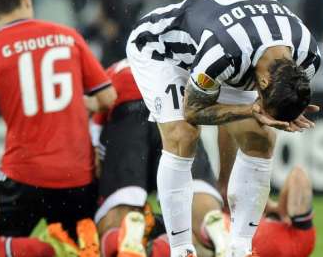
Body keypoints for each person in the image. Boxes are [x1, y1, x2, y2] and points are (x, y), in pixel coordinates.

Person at [126, 0, 321, 257]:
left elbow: (274, 99)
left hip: (234, 51)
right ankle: (181, 250)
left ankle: (239, 249)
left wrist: (286, 110)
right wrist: (249, 111)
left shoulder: (308, 57)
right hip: (163, 51)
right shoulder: (224, 54)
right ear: (263, 83)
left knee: (261, 137)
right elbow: (194, 111)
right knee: (183, 135)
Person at [0, 0, 118, 257]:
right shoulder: (67, 37)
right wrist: (78, 103)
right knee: (92, 248)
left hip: (23, 178)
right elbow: (108, 98)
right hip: (77, 179)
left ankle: (32, 252)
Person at [90, 61, 229, 257]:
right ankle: (214, 226)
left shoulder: (112, 72)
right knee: (194, 198)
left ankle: (127, 230)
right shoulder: (174, 63)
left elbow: (99, 109)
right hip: (174, 113)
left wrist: (97, 150)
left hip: (128, 116)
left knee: (118, 213)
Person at [147, 165, 317, 257]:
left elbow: (298, 176)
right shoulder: (294, 239)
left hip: (210, 228)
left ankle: (220, 237)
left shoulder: (302, 238)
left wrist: (278, 208)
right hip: (209, 235)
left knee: (180, 151)